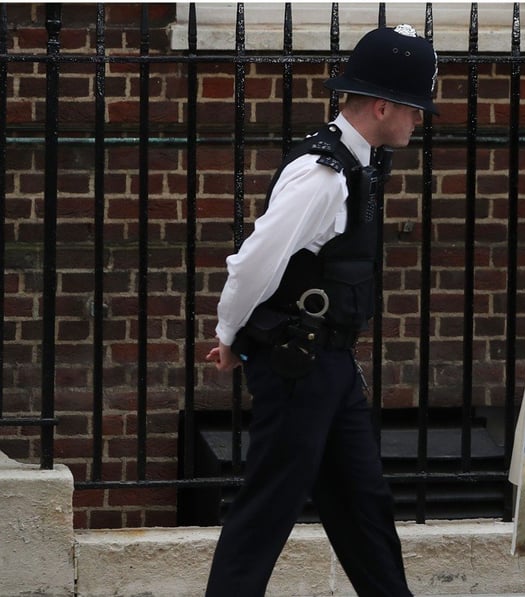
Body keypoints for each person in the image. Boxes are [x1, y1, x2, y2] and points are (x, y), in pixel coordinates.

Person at [203, 25, 439, 597]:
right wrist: (229, 334)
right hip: (297, 363)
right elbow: (253, 263)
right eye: (414, 108)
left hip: (328, 365)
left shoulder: (360, 165)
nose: (419, 120)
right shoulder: (320, 176)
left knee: (364, 507)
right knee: (267, 511)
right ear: (382, 106)